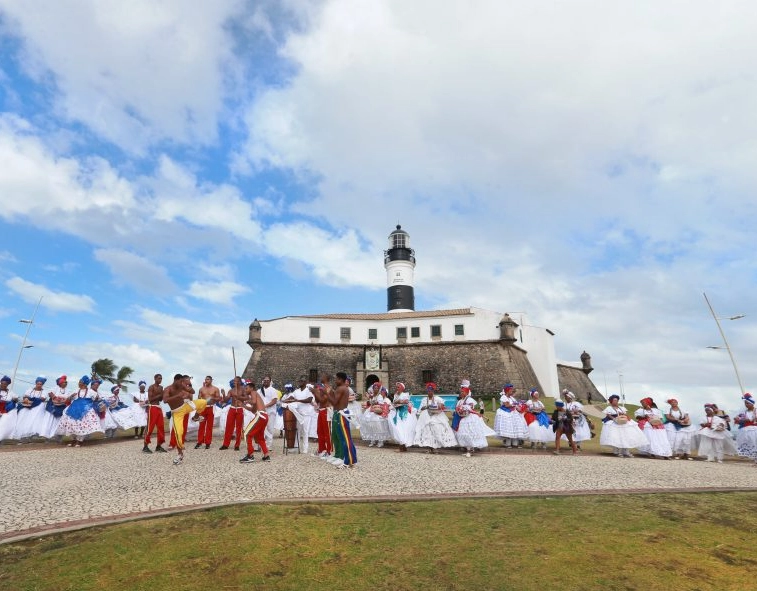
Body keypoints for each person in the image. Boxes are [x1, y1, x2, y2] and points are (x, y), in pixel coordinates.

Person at [162, 373, 207, 465]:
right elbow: (165, 400)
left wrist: (189, 385)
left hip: (185, 406)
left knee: (203, 402)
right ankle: (180, 454)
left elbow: (193, 392)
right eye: (181, 381)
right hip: (177, 412)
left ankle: (196, 417)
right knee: (179, 433)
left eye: (183, 381)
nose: (182, 383)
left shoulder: (182, 385)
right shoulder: (168, 389)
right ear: (176, 380)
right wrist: (178, 396)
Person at [56, 375, 104, 447]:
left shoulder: (91, 392)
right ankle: (73, 439)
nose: (79, 383)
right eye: (79, 381)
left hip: (85, 409)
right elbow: (67, 400)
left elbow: (97, 399)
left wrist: (97, 402)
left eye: (80, 382)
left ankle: (79, 440)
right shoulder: (75, 390)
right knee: (71, 423)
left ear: (84, 383)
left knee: (82, 424)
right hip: (74, 409)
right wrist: (71, 396)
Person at [453, 380, 495, 457]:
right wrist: (458, 410)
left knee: (470, 433)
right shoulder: (460, 401)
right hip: (462, 419)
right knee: (464, 434)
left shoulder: (469, 399)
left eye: (462, 392)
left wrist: (464, 409)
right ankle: (467, 449)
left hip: (469, 418)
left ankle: (471, 450)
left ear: (466, 393)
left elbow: (471, 407)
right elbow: (457, 408)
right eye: (461, 392)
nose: (461, 393)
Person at [412, 382, 458, 452]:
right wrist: (426, 407)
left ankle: (436, 448)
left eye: (431, 391)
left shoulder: (438, 399)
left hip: (436, 416)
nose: (429, 392)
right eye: (428, 391)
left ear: (433, 391)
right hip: (425, 417)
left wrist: (438, 407)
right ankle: (430, 448)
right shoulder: (424, 399)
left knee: (436, 430)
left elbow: (442, 407)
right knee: (427, 431)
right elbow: (420, 409)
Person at [326, 372, 357, 468]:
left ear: (341, 379)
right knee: (341, 437)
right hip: (339, 413)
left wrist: (328, 394)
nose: (335, 381)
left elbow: (335, 402)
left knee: (345, 439)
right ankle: (349, 459)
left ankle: (347, 461)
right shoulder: (343, 388)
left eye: (337, 379)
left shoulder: (341, 388)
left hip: (341, 414)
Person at [280, 377, 316, 454]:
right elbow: (291, 397)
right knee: (298, 431)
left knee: (305, 431)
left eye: (301, 381)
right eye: (299, 381)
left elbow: (309, 400)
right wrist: (285, 400)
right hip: (298, 414)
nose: (300, 382)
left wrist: (298, 400)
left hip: (307, 414)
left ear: (305, 382)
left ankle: (305, 449)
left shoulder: (308, 390)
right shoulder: (296, 391)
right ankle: (296, 447)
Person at [239, 380, 270, 463]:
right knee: (260, 438)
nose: (245, 390)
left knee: (247, 434)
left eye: (246, 388)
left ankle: (250, 455)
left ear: (251, 388)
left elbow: (253, 402)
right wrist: (243, 406)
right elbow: (253, 410)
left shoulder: (253, 392)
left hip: (260, 416)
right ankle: (266, 455)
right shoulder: (255, 396)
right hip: (264, 416)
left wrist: (245, 401)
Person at [14, 376, 48, 441]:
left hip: (37, 405)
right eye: (38, 384)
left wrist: (32, 401)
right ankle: (21, 432)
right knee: (23, 411)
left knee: (39, 409)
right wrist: (26, 399)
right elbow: (25, 396)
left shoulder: (44, 392)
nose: (39, 385)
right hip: (27, 405)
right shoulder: (30, 390)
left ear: (42, 385)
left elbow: (42, 398)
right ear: (36, 383)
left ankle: (33, 433)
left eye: (40, 384)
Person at [494, 383, 528, 448]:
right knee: (508, 427)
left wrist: (520, 407)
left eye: (512, 390)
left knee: (516, 427)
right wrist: (514, 405)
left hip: (514, 413)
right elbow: (507, 405)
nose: (512, 391)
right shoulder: (503, 397)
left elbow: (516, 405)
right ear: (507, 390)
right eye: (511, 390)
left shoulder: (512, 398)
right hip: (506, 413)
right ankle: (508, 443)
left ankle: (515, 443)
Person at [360, 381, 391, 448]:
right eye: (374, 388)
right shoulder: (372, 396)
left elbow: (381, 405)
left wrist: (374, 404)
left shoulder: (379, 396)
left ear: (379, 389)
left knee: (378, 426)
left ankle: (380, 441)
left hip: (377, 412)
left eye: (377, 388)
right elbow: (369, 403)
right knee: (370, 426)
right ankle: (372, 440)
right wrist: (370, 401)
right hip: (370, 411)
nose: (375, 389)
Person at [388, 382, 417, 452]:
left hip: (403, 413)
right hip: (397, 412)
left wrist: (399, 401)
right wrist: (397, 401)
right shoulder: (395, 395)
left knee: (402, 428)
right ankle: (402, 446)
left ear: (402, 388)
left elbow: (406, 401)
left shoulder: (405, 394)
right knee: (398, 428)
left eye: (398, 387)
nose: (397, 388)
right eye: (396, 387)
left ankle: (402, 447)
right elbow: (395, 402)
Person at [168, 375, 195, 449]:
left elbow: (191, 398)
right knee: (175, 426)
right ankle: (172, 443)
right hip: (178, 407)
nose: (188, 381)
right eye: (187, 379)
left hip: (186, 407)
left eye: (189, 379)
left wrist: (188, 390)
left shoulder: (188, 388)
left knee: (184, 426)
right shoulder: (178, 387)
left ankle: (181, 443)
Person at [220, 377, 246, 451]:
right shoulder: (231, 390)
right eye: (234, 381)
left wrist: (239, 397)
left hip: (240, 409)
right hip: (232, 408)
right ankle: (225, 444)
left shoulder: (243, 389)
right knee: (228, 426)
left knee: (238, 428)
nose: (234, 382)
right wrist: (224, 394)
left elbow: (247, 398)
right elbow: (226, 400)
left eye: (236, 381)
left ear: (240, 382)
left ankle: (237, 445)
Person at [143, 374, 167, 453]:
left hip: (158, 407)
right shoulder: (151, 387)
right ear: (155, 379)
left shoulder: (161, 387)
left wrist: (162, 395)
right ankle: (145, 446)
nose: (160, 380)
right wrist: (160, 395)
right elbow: (150, 399)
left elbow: (160, 400)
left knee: (161, 427)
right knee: (150, 427)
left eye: (161, 378)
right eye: (159, 378)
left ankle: (159, 446)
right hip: (152, 407)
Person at [195, 376, 221, 449]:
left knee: (209, 426)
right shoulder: (201, 389)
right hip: (203, 408)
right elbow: (198, 399)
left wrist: (213, 398)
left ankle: (208, 443)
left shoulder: (215, 389)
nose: (206, 380)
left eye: (208, 379)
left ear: (211, 380)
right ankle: (199, 442)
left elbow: (219, 398)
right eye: (206, 379)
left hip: (211, 407)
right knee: (201, 425)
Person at [39, 375, 68, 440]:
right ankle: (46, 436)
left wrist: (64, 399)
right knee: (49, 420)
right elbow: (50, 393)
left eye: (66, 382)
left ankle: (56, 435)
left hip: (61, 407)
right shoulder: (55, 388)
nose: (66, 383)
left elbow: (68, 398)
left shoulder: (67, 390)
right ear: (60, 383)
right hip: (52, 406)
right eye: (64, 382)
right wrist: (54, 397)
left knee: (58, 421)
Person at [313, 374, 334, 457]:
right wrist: (314, 392)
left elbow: (323, 400)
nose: (321, 377)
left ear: (326, 378)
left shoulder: (328, 388)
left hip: (326, 410)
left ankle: (329, 451)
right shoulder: (322, 388)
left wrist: (315, 392)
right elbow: (318, 400)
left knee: (327, 432)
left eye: (322, 376)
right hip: (321, 411)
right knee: (320, 431)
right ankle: (321, 449)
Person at [259, 376, 282, 450]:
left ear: (270, 381)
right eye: (264, 380)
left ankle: (268, 446)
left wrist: (265, 406)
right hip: (261, 412)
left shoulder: (273, 390)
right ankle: (260, 444)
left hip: (270, 412)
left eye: (267, 380)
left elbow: (274, 401)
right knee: (261, 428)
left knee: (269, 428)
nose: (265, 381)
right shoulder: (259, 391)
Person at [734, 394, 757, 465]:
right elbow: (738, 418)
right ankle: (755, 459)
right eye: (745, 403)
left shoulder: (755, 411)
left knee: (754, 443)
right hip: (744, 430)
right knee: (748, 443)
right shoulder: (744, 412)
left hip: (754, 429)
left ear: (752, 403)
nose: (746, 405)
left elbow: (754, 419)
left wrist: (750, 419)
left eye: (748, 403)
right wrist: (737, 418)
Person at [0, 375, 19, 441]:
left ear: (8, 384)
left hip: (6, 408)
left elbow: (16, 399)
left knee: (7, 416)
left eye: (5, 384)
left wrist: (15, 399)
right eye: (2, 383)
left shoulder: (10, 392)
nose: (3, 385)